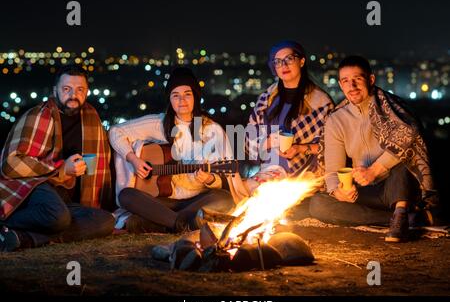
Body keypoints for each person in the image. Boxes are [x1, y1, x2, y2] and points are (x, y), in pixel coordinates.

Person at [310, 55, 438, 242]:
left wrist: (375, 170)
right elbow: (332, 171)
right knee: (318, 204)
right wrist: (338, 191)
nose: (351, 86)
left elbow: (412, 138)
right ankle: (404, 220)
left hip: (396, 188)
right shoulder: (336, 119)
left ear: (370, 79)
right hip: (364, 192)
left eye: (357, 79)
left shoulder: (392, 108)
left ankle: (401, 212)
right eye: (346, 81)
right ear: (340, 84)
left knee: (403, 164)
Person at [0, 65, 115, 252]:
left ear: (86, 91)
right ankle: (5, 221)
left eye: (80, 90)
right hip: (35, 186)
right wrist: (62, 168)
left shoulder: (91, 117)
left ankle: (23, 238)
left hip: (65, 199)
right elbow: (11, 164)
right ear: (55, 91)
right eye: (66, 89)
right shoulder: (39, 115)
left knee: (105, 221)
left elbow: (95, 166)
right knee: (58, 217)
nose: (73, 95)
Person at [109, 67, 235, 233]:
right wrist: (134, 159)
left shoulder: (212, 130)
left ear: (196, 97)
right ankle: (183, 223)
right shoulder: (159, 123)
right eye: (176, 95)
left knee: (224, 199)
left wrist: (209, 178)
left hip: (196, 200)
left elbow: (219, 180)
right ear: (169, 99)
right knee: (126, 195)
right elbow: (115, 131)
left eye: (187, 94)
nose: (182, 100)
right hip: (162, 200)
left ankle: (161, 222)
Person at [244, 40, 334, 217]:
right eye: (277, 61)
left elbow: (332, 145)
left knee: (261, 196)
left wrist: (300, 148)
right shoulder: (268, 97)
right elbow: (250, 133)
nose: (283, 65)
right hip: (270, 168)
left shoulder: (320, 102)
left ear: (301, 61)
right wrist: (266, 142)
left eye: (289, 59)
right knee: (244, 188)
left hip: (304, 174)